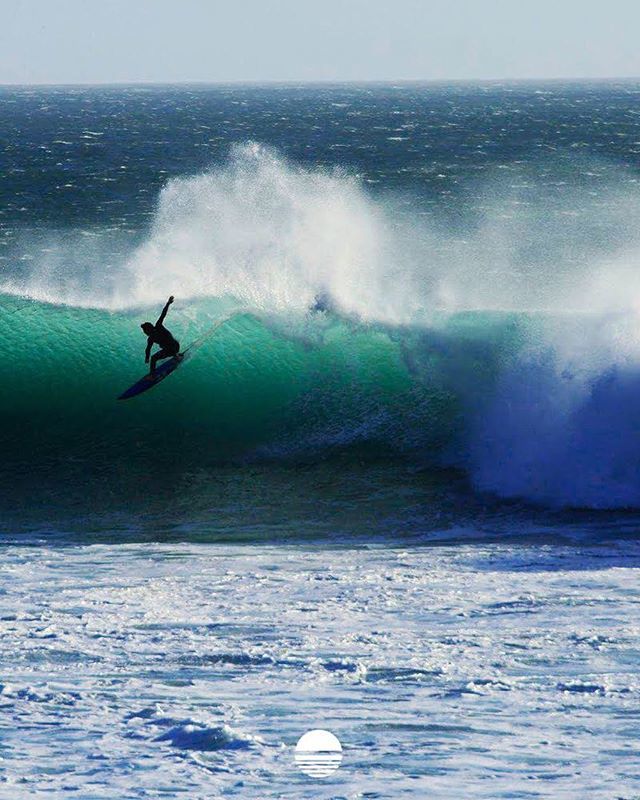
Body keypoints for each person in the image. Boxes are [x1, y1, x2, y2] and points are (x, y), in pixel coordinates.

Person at [141, 296, 181, 378]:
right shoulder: (150, 338)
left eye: (145, 331)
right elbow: (148, 349)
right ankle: (175, 355)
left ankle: (152, 376)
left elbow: (163, 314)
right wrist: (147, 357)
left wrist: (168, 303)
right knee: (162, 347)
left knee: (154, 357)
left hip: (174, 347)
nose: (145, 333)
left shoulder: (158, 326)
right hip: (172, 348)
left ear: (148, 330)